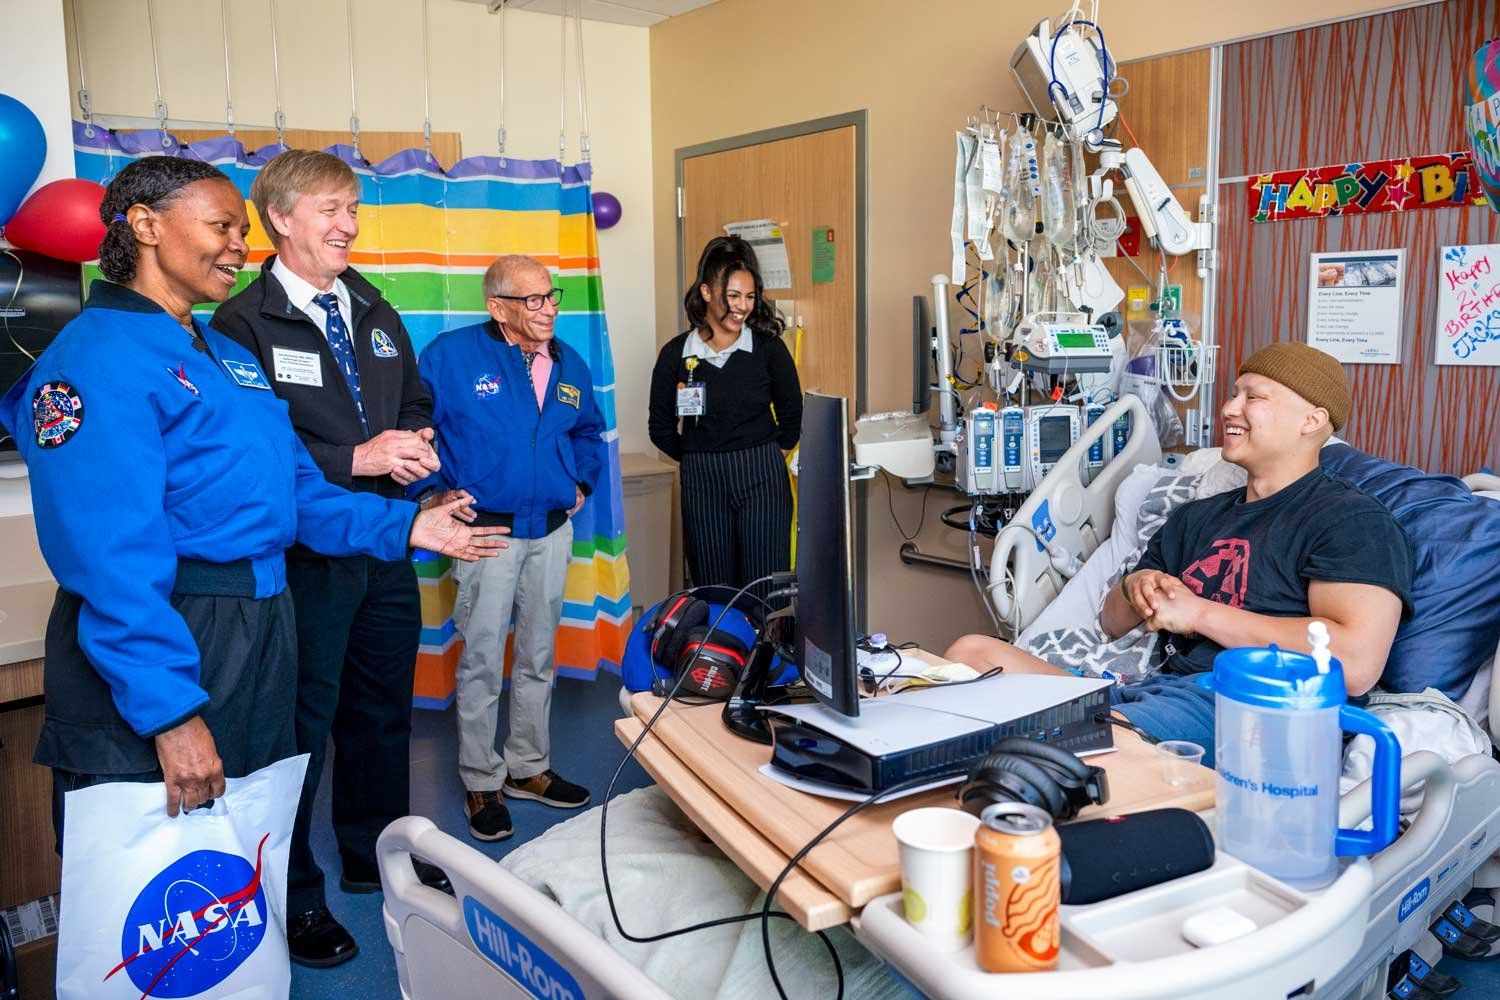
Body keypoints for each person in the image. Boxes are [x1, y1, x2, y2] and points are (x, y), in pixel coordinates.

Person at [0, 159, 503, 888]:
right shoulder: (93, 359)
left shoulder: (225, 355)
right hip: (179, 621)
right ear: (145, 226)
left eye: (241, 228)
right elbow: (109, 561)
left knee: (245, 835)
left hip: (263, 620)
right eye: (221, 226)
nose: (240, 245)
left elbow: (295, 492)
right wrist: (170, 715)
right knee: (159, 874)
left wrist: (405, 530)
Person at [210, 149, 455, 967]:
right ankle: (297, 893)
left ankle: (375, 856)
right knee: (301, 729)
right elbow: (253, 453)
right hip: (308, 557)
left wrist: (414, 441)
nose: (348, 225)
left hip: (386, 546)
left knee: (384, 716)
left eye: (353, 209)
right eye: (330, 210)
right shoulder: (240, 323)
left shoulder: (374, 310)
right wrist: (357, 459)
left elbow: (413, 399)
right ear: (280, 217)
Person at [945, 343, 1414, 755]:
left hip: (1254, 708)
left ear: (1312, 420)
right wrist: (1136, 589)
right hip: (1156, 691)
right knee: (971, 654)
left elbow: (1353, 664)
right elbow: (1111, 623)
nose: (1230, 408)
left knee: (1063, 742)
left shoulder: (1350, 520)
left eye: (1254, 397)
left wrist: (1198, 613)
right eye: (1234, 393)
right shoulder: (1198, 516)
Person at [417, 254, 605, 842]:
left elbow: (587, 432)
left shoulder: (568, 360)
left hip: (550, 529)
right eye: (534, 300)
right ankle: (480, 779)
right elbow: (417, 430)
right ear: (498, 307)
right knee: (478, 659)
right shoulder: (451, 356)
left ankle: (529, 768)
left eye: (553, 297)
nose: (548, 309)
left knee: (539, 655)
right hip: (485, 533)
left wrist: (581, 485)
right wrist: (430, 495)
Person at [648, 236, 801, 593]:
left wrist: (769, 454)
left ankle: (764, 650)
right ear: (705, 292)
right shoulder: (676, 354)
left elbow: (793, 412)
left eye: (749, 297)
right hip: (702, 476)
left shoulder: (767, 349)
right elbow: (660, 427)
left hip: (762, 473)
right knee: (713, 587)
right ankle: (718, 650)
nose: (742, 306)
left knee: (766, 588)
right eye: (732, 296)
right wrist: (697, 453)